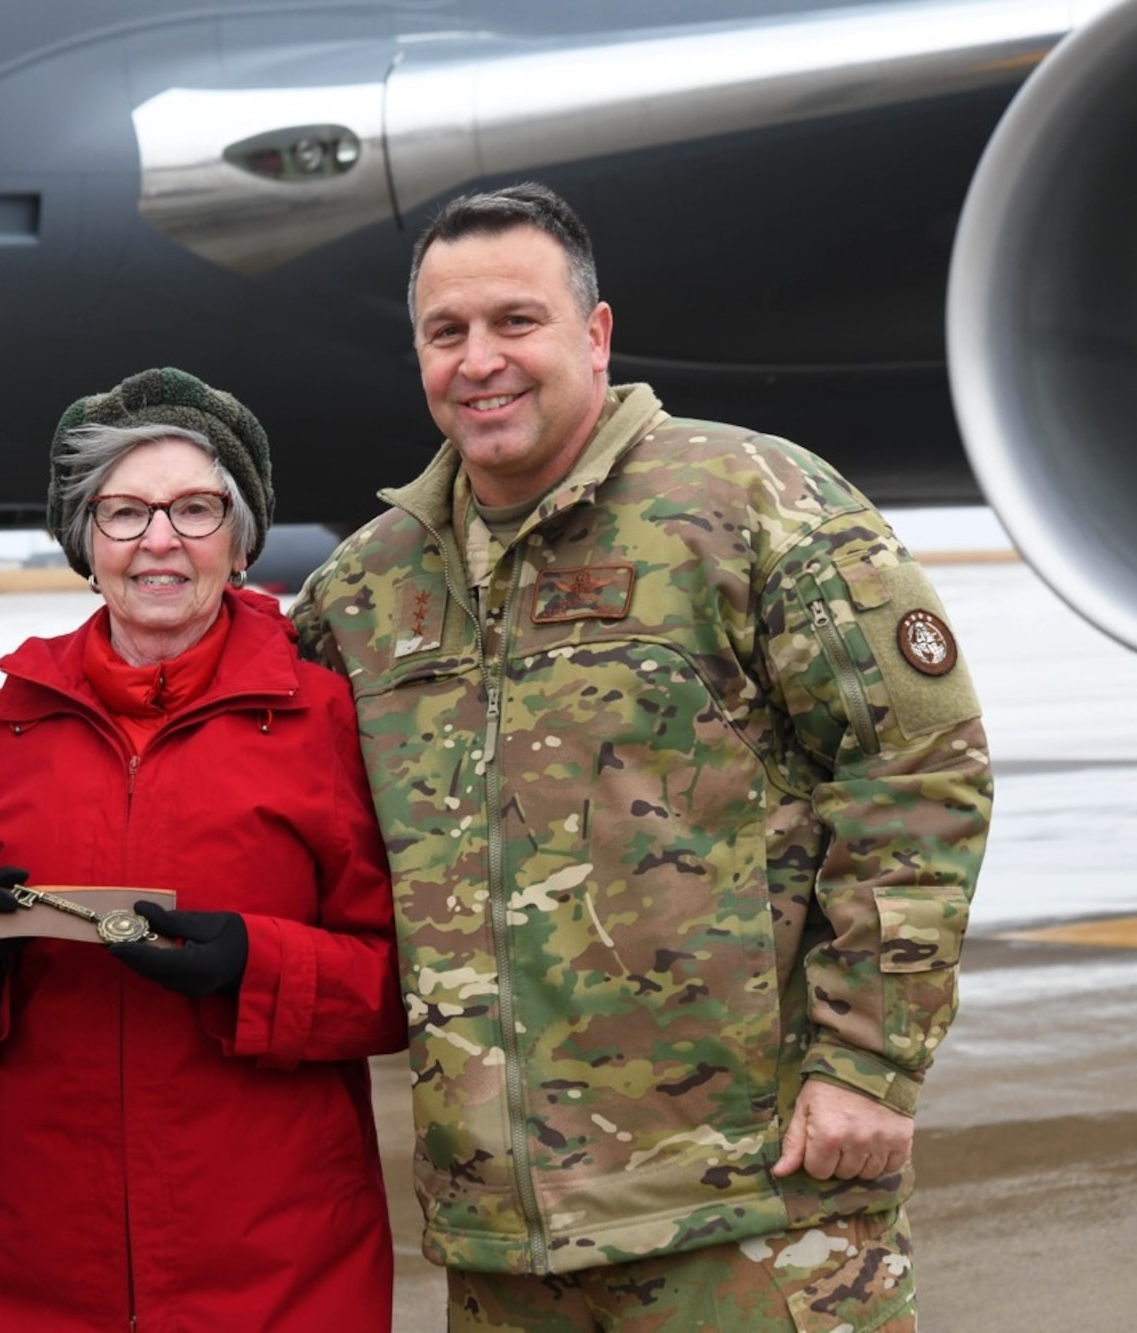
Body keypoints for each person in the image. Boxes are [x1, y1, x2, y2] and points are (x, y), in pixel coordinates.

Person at [291, 183, 993, 1331]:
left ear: (594, 333)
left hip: (749, 1208)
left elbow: (916, 772)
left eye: (515, 322)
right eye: (445, 332)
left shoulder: (752, 504)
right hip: (504, 1242)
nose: (480, 362)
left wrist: (866, 1062)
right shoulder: (371, 587)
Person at [0, 368, 406, 1332]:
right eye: (124, 512)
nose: (160, 540)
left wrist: (258, 967)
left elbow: (405, 982)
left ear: (242, 536)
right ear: (85, 541)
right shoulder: (2, 728)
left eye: (196, 508)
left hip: (275, 1271)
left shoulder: (329, 720)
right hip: (29, 1268)